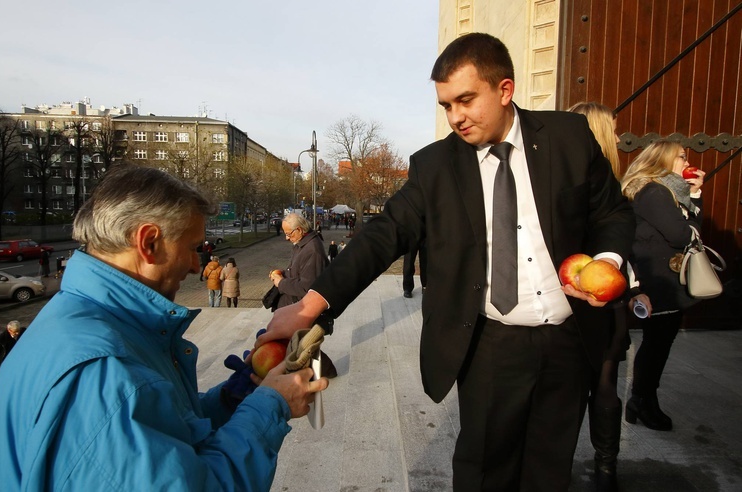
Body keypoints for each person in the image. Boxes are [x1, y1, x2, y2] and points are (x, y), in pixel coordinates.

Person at [260, 33, 635, 491]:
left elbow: (612, 212)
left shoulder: (567, 138)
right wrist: (310, 304)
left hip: (569, 340)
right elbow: (381, 237)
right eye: (445, 106)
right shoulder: (434, 167)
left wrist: (608, 261)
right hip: (491, 344)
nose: (455, 117)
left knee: (550, 470)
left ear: (504, 90)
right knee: (483, 472)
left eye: (465, 100)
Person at [0, 165, 327, 490]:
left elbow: (163, 436)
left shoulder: (78, 321)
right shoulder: (103, 374)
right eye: (192, 248)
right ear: (149, 242)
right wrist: (270, 407)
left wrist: (231, 399)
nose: (197, 265)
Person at [569, 101, 647, 491]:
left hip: (574, 293)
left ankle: (558, 465)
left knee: (569, 387)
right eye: (612, 129)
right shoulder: (610, 187)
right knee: (604, 385)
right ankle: (605, 469)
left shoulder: (566, 182)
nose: (618, 137)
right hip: (602, 297)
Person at [621, 139, 704, 432]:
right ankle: (641, 401)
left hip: (660, 279)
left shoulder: (661, 190)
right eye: (680, 156)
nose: (685, 161)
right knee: (657, 344)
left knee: (658, 343)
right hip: (658, 282)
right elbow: (682, 236)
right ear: (664, 159)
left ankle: (644, 399)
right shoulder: (655, 191)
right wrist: (695, 199)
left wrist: (690, 193)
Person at [269, 213, 337, 378]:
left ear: (299, 230)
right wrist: (282, 273)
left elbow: (307, 287)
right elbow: (296, 271)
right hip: (295, 304)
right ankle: (322, 372)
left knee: (302, 344)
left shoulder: (312, 250)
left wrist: (281, 283)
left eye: (288, 233)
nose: (286, 237)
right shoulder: (301, 244)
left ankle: (323, 372)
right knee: (303, 344)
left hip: (302, 307)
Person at [0, 320, 25, 386]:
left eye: (18, 331)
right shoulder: (0, 342)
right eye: (14, 332)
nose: (17, 333)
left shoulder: (23, 333)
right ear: (9, 330)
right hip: (4, 368)